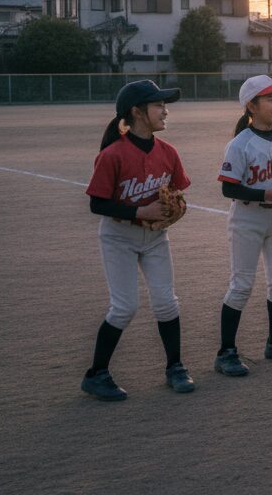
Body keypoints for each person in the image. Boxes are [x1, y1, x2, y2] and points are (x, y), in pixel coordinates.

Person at [81, 80, 194, 400]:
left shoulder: (168, 152)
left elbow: (177, 192)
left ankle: (175, 367)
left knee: (166, 301)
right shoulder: (112, 154)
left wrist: (176, 208)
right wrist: (141, 210)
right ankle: (96, 374)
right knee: (124, 306)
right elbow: (97, 204)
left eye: (163, 104)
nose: (165, 110)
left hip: (156, 236)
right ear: (137, 111)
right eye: (158, 105)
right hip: (119, 238)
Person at [212, 75, 272, 378]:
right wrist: (265, 193)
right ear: (252, 106)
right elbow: (229, 189)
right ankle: (226, 352)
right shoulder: (240, 145)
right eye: (271, 99)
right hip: (247, 219)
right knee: (241, 285)